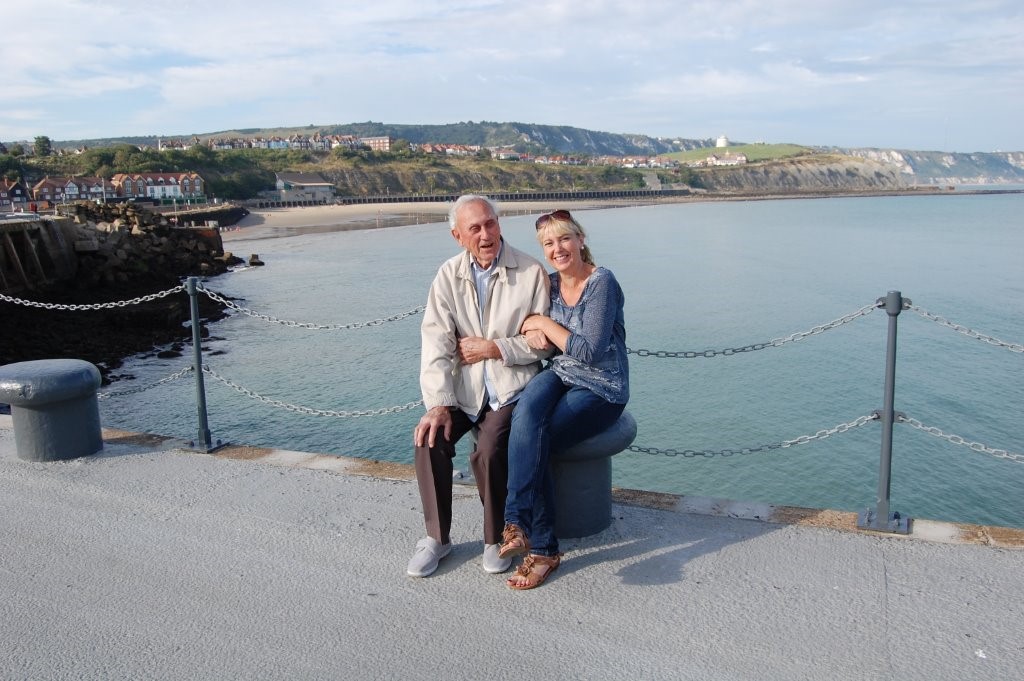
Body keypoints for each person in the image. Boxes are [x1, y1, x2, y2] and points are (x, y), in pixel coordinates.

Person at [407, 194, 552, 578]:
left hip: (511, 387)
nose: (486, 234)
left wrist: (494, 348)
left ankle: (495, 539)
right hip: (463, 389)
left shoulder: (530, 272)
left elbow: (544, 344)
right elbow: (435, 343)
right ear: (458, 235)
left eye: (491, 223)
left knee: (490, 449)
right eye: (475, 228)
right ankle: (437, 539)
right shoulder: (446, 276)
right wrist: (438, 402)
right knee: (428, 438)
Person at [498, 209, 629, 590]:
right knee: (524, 418)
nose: (558, 249)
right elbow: (525, 322)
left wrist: (543, 324)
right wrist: (531, 327)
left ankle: (542, 549)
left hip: (601, 387)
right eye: (549, 244)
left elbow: (589, 351)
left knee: (539, 441)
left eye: (564, 239)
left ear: (581, 239)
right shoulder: (550, 284)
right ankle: (516, 524)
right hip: (558, 373)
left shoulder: (602, 282)